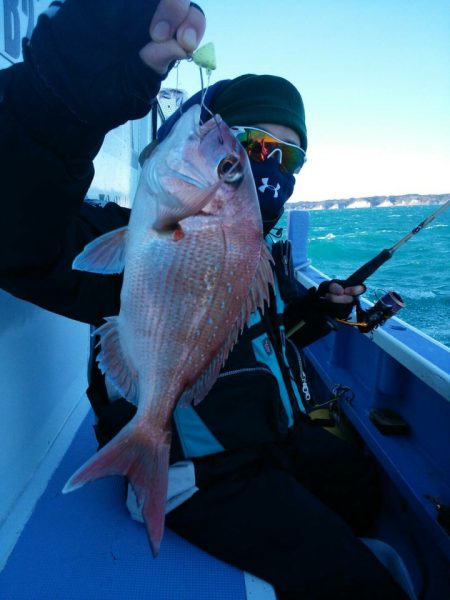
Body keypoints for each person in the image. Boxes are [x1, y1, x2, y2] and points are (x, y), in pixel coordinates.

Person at [0, 1, 409, 598]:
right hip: (205, 470)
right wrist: (56, 105)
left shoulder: (258, 257)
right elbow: (22, 245)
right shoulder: (139, 242)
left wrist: (319, 312)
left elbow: (251, 339)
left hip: (269, 437)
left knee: (361, 486)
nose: (267, 167)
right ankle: (148, 468)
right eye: (249, 148)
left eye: (287, 157)